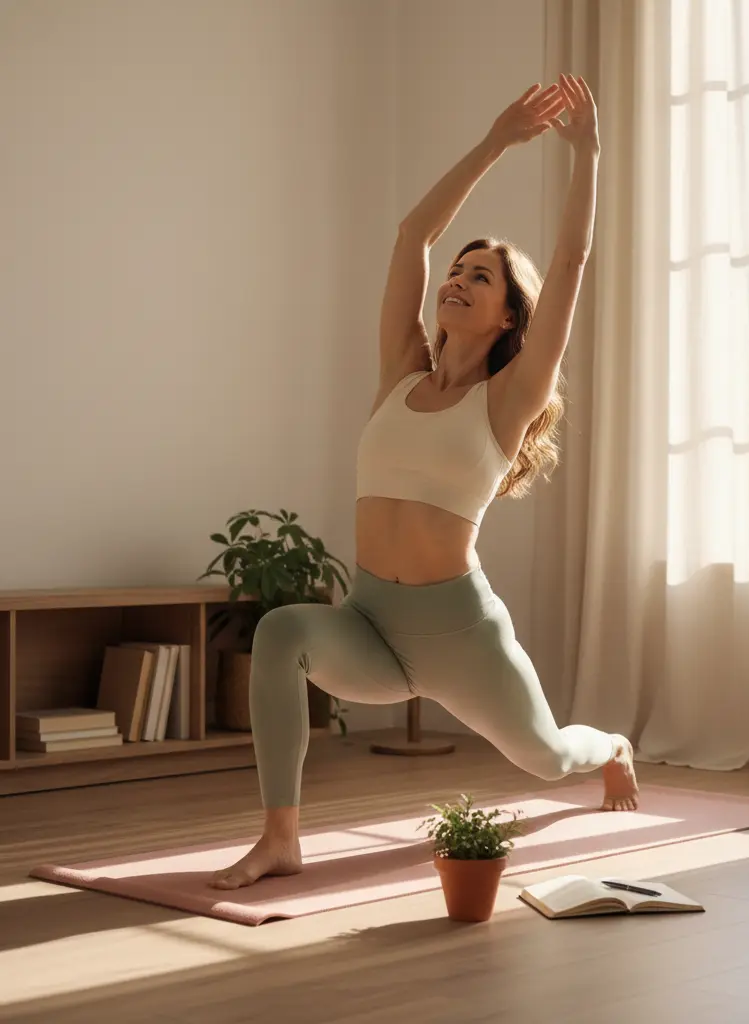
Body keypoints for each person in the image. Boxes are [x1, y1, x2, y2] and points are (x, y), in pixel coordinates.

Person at [210, 74, 638, 891]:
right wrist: (494, 141)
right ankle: (280, 837)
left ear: (511, 317)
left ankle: (611, 746)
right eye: (460, 269)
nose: (458, 279)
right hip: (371, 623)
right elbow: (413, 235)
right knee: (280, 633)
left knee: (548, 758)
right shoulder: (400, 372)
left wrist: (586, 153)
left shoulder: (510, 399)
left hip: (460, 636)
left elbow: (573, 260)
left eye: (481, 278)